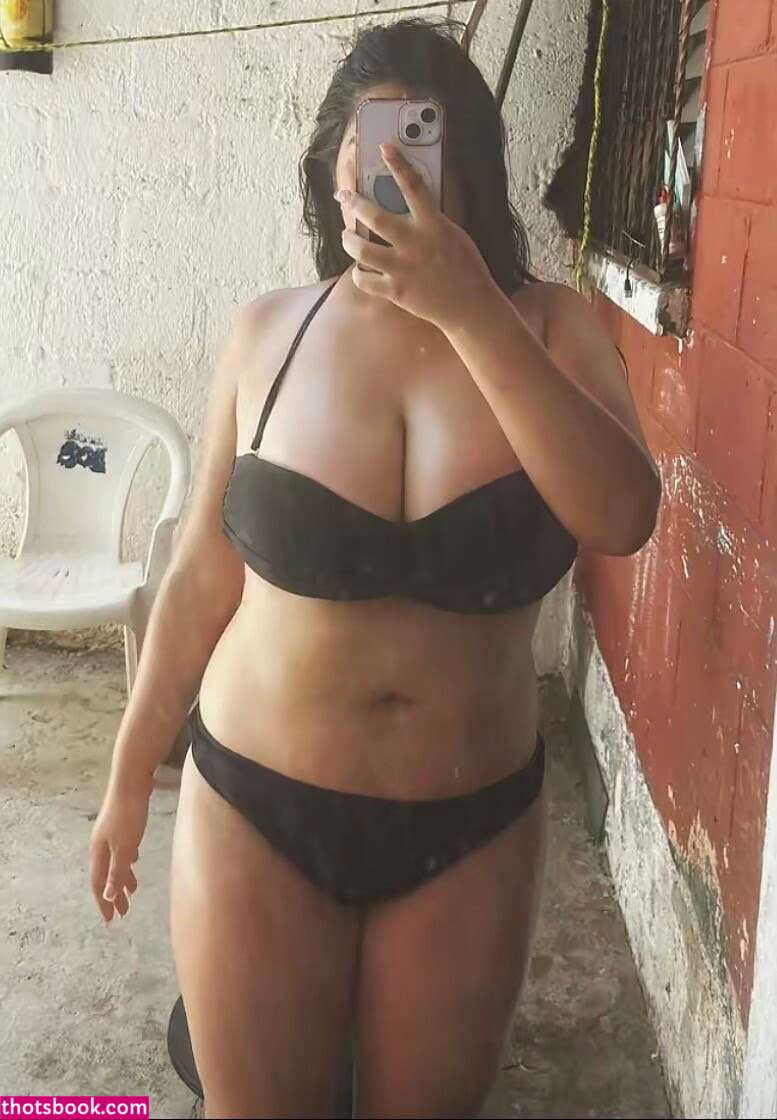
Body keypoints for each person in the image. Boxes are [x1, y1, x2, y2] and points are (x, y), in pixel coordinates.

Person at [89, 17, 660, 1119]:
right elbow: (202, 578)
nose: (391, 175)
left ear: (471, 167)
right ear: (331, 170)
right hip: (254, 802)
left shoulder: (555, 332)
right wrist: (124, 775)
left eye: (421, 145)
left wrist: (468, 309)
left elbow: (623, 516)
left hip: (470, 825)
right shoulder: (267, 335)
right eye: (368, 150)